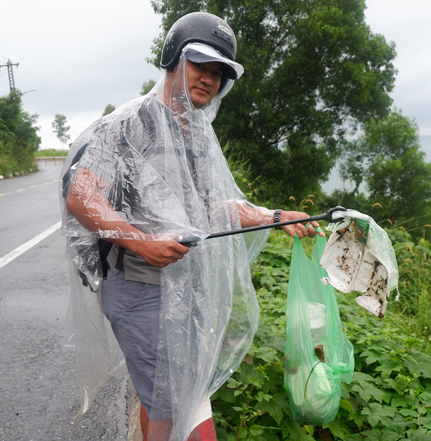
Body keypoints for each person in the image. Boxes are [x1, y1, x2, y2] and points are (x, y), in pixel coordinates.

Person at [60, 11, 323, 441]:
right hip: (139, 290)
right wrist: (142, 243)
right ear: (172, 60)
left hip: (181, 292)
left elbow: (207, 208)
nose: (209, 79)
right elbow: (83, 195)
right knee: (176, 408)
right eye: (201, 64)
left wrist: (274, 217)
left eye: (219, 73)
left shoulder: (196, 134)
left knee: (165, 403)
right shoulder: (129, 124)